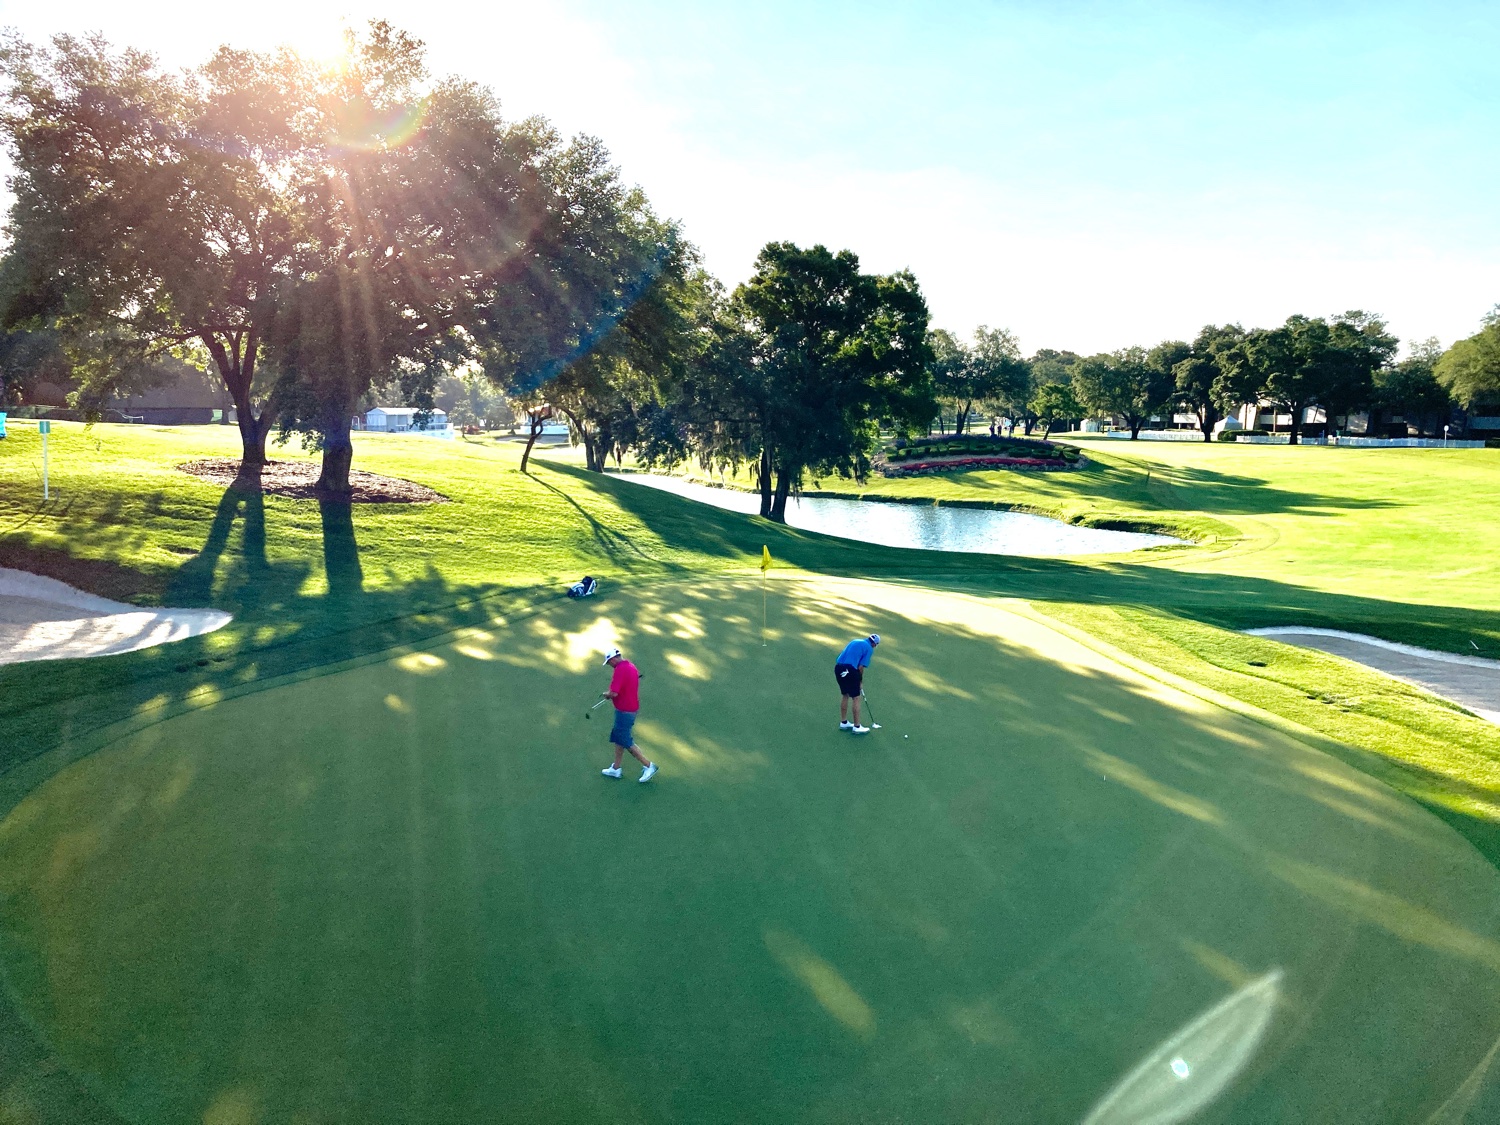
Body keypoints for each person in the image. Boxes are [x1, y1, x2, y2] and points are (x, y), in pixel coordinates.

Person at [600, 647, 657, 782]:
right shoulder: (630, 665)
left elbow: (614, 693)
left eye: (609, 663)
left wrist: (606, 694)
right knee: (618, 738)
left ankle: (649, 766)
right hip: (629, 708)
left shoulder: (620, 670)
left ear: (613, 659)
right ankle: (616, 768)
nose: (609, 665)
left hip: (625, 711)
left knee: (625, 740)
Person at [834, 633, 880, 733]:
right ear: (874, 644)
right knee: (856, 697)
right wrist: (860, 681)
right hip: (850, 670)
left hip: (838, 668)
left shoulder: (855, 641)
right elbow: (860, 667)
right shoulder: (869, 648)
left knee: (845, 695)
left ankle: (844, 722)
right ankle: (857, 726)